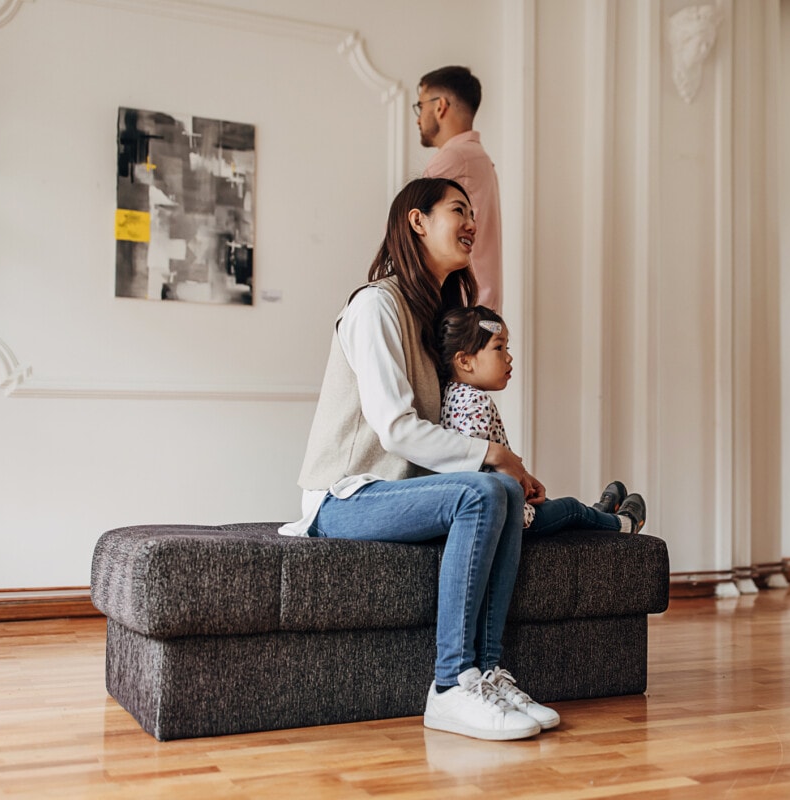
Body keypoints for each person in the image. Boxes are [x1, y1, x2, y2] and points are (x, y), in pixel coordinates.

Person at [279, 177, 557, 741]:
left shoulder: (430, 313)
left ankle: (487, 674)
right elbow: (397, 429)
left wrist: (503, 470)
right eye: (459, 210)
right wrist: (494, 454)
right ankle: (450, 687)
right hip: (343, 498)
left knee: (497, 490)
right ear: (417, 221)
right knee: (485, 486)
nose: (472, 222)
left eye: (472, 212)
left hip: (393, 494)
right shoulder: (376, 306)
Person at [437, 305, 647, 535]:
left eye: (507, 347)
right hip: (507, 515)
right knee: (571, 509)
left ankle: (600, 514)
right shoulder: (475, 402)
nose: (509, 356)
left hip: (506, 506)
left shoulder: (452, 394)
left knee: (557, 508)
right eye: (498, 347)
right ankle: (623, 524)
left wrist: (523, 478)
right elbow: (477, 472)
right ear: (465, 361)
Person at [417, 66, 503, 312]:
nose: (418, 118)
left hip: (458, 309)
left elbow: (415, 232)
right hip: (478, 308)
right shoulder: (480, 159)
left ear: (440, 106)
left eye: (420, 106)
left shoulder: (453, 158)